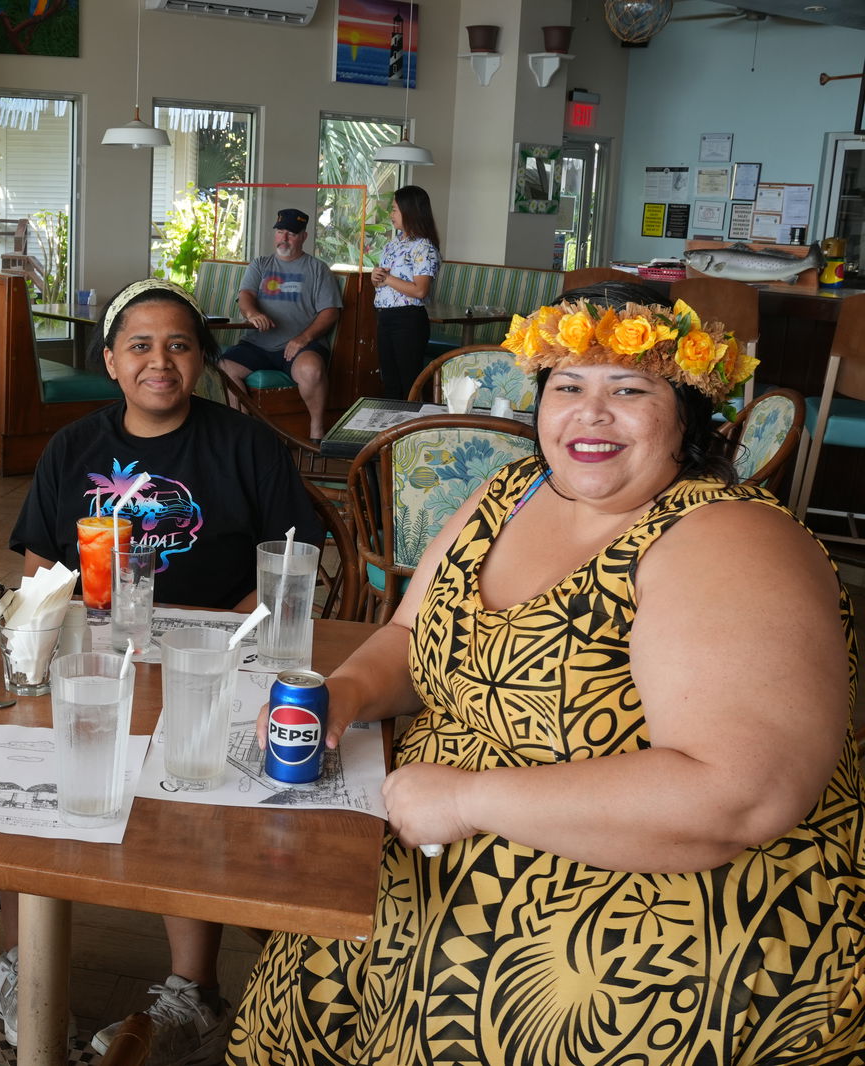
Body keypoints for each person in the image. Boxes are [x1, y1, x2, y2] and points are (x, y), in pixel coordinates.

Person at [227, 283, 865, 1064]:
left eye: (629, 390)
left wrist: (466, 799)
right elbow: (410, 635)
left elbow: (741, 796)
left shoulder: (731, 539)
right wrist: (346, 692)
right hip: (422, 846)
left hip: (648, 928)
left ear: (689, 412)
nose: (590, 414)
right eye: (567, 387)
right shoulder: (512, 491)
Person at [8, 279, 323, 1065]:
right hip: (94, 653)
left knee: (192, 785)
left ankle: (194, 991)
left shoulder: (246, 445)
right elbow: (41, 571)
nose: (160, 361)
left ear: (203, 360)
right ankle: (26, 966)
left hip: (213, 655)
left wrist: (223, 646)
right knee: (36, 775)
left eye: (179, 345)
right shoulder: (72, 449)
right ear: (111, 361)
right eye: (140, 346)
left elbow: (289, 568)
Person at [219, 208, 342, 440]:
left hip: (303, 346)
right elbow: (246, 295)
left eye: (291, 234)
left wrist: (302, 339)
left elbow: (330, 312)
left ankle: (317, 432)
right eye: (280, 232)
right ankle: (245, 431)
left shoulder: (318, 269)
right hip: (258, 344)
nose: (284, 238)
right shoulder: (260, 264)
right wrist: (252, 313)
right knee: (224, 368)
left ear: (304, 236)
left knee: (312, 370)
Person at [370, 184, 440, 400]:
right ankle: (393, 422)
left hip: (408, 320)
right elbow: (386, 284)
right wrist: (376, 279)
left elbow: (420, 290)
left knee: (409, 383)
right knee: (390, 382)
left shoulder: (423, 247)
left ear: (410, 211)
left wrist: (387, 279)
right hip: (386, 317)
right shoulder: (393, 244)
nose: (391, 215)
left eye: (394, 210)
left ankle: (413, 421)